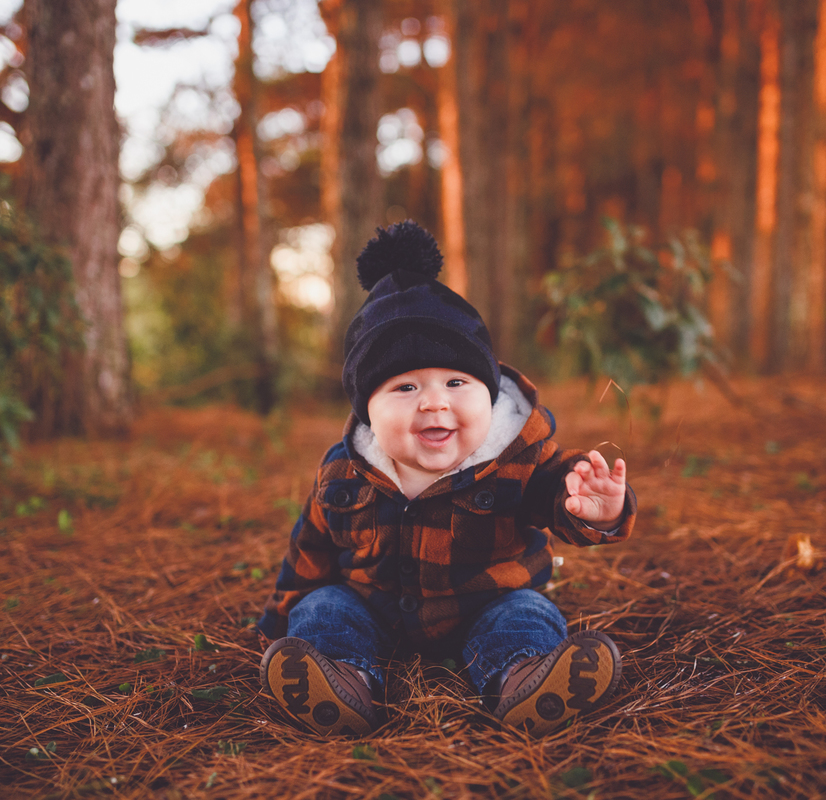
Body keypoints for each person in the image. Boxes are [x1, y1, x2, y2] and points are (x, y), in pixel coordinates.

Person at [257, 220, 637, 737]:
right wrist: (277, 625)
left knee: (526, 613)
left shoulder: (519, 459)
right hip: (373, 609)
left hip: (486, 604)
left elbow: (558, 494)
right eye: (405, 387)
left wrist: (599, 510)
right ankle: (342, 682)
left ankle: (524, 678)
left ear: (489, 394)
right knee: (323, 609)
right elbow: (309, 551)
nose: (434, 402)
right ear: (367, 410)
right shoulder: (343, 470)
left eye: (457, 382)